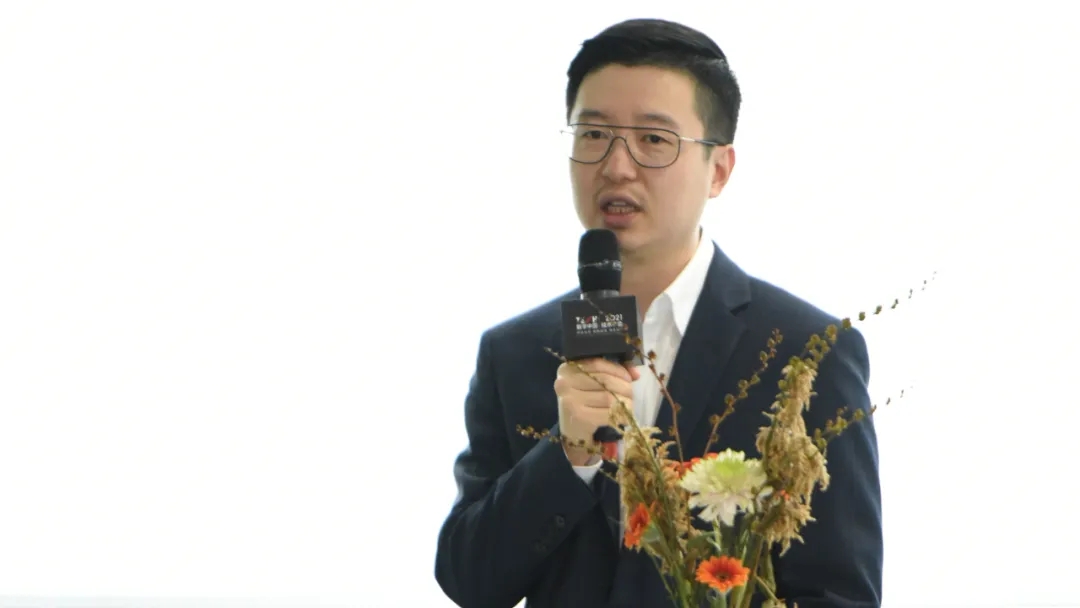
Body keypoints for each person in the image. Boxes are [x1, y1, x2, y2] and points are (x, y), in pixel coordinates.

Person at [434, 18, 883, 608]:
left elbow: (841, 593)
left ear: (718, 170)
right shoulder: (513, 352)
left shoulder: (806, 352)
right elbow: (469, 580)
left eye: (653, 139)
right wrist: (567, 454)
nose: (617, 166)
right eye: (594, 134)